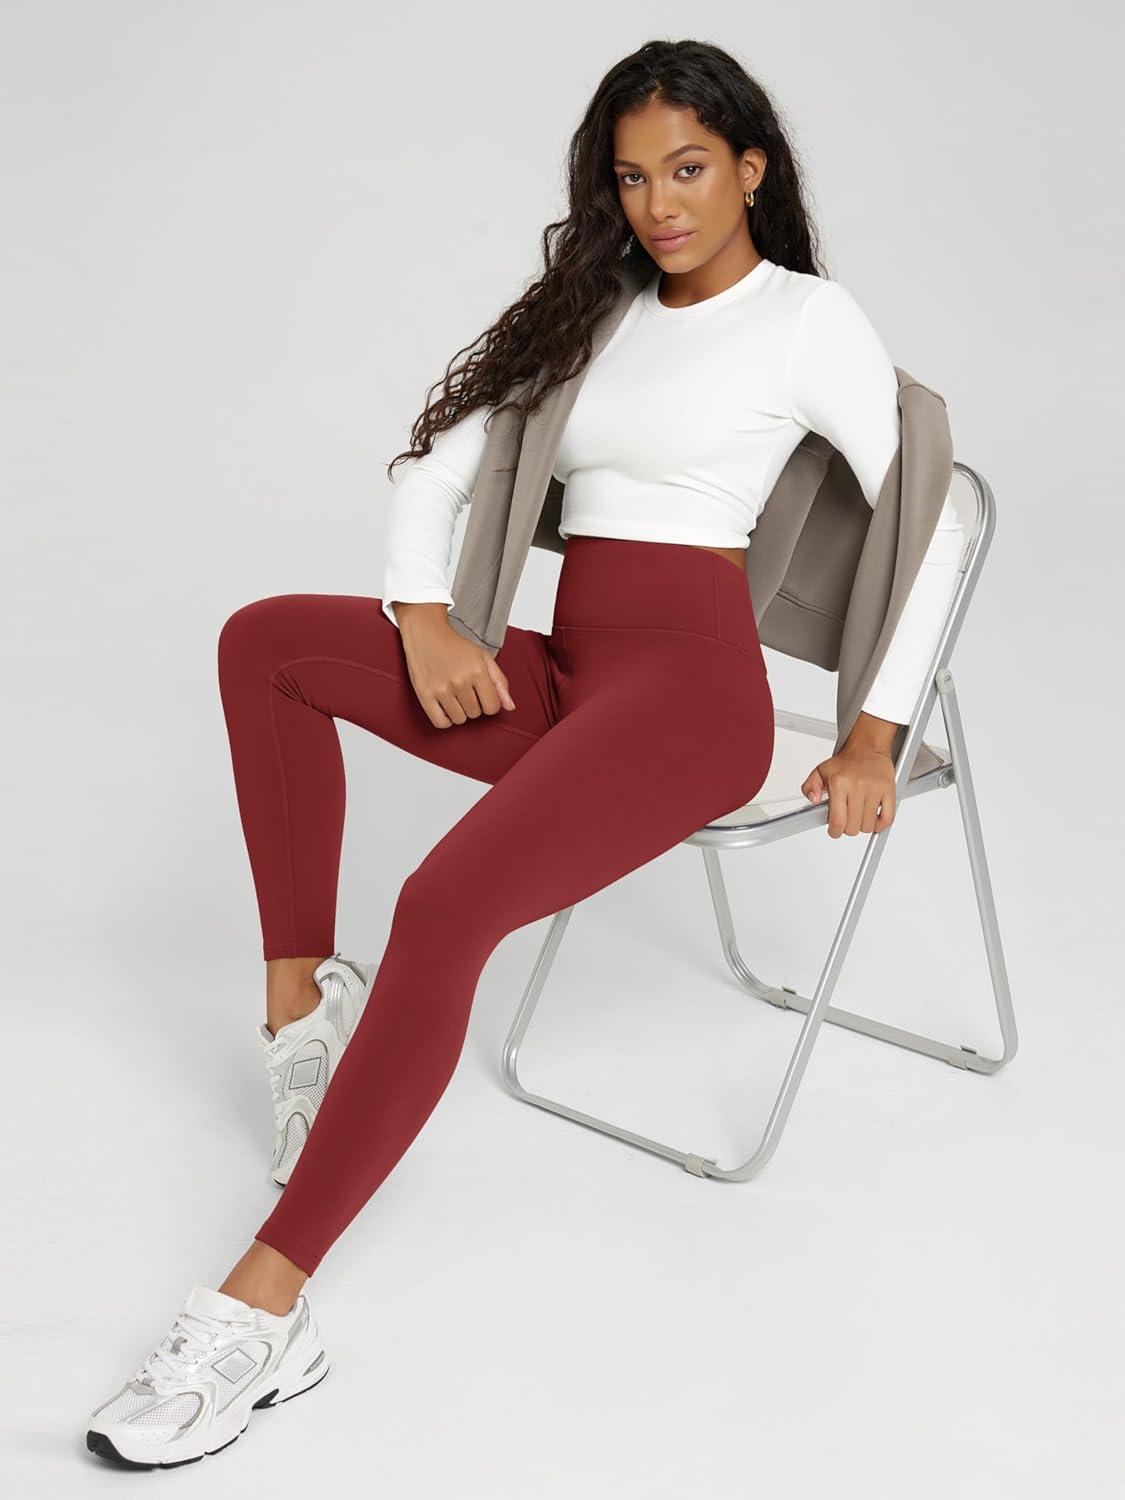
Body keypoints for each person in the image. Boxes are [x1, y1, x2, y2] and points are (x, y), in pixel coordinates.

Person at [85, 38, 966, 1468]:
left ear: (750, 169)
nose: (660, 204)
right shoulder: (597, 310)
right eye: (632, 178)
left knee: (443, 904)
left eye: (689, 169)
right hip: (570, 674)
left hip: (690, 704)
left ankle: (264, 1308)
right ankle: (303, 1016)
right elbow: (439, 469)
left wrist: (874, 733)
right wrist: (424, 616)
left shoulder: (806, 320)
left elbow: (933, 520)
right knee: (266, 644)